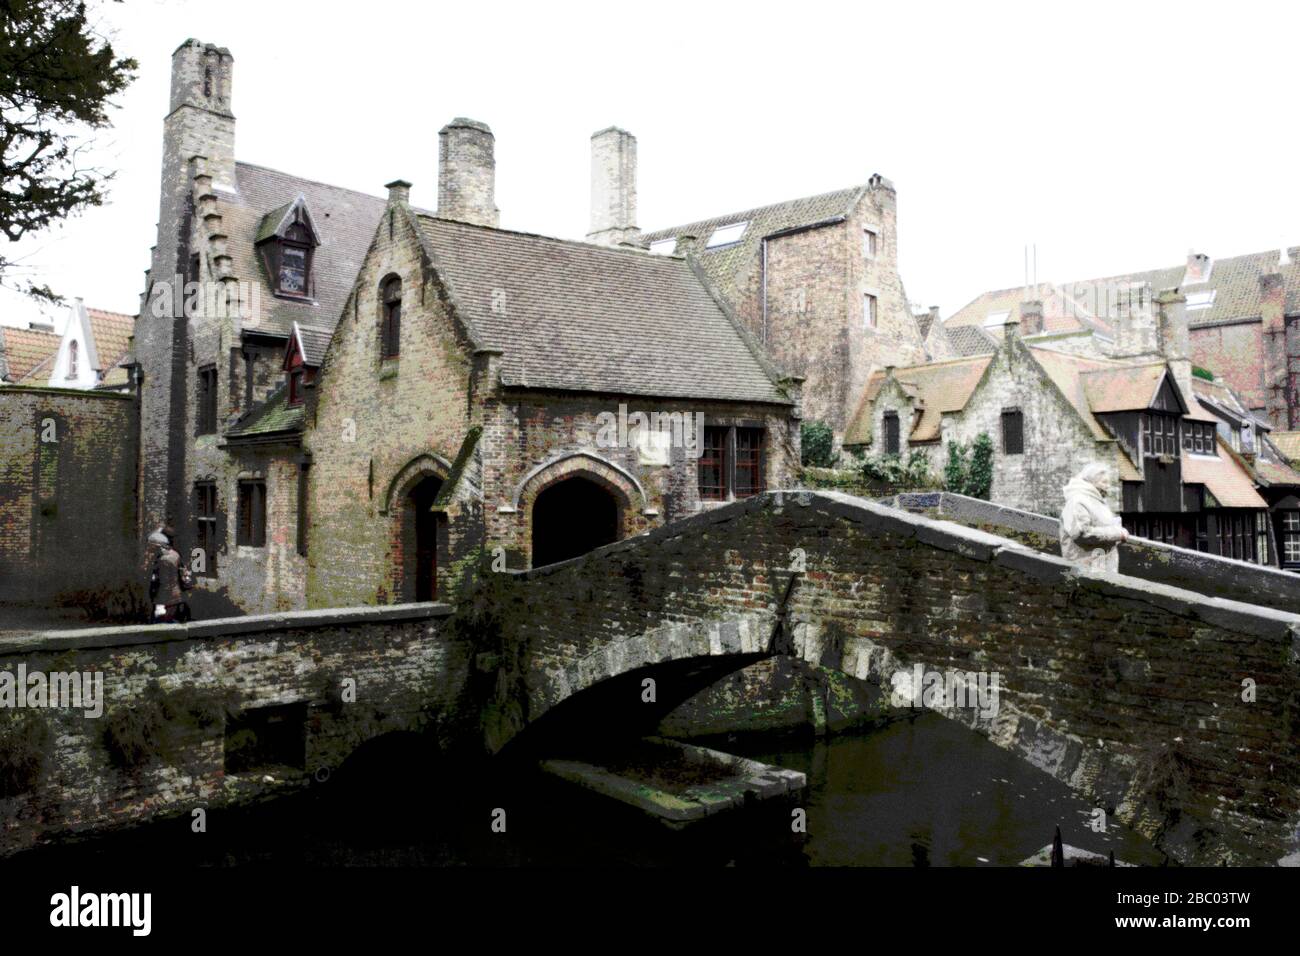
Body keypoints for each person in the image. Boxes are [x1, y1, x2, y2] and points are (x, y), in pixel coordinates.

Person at [1060, 463, 1129, 573]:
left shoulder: (1095, 500)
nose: (1108, 486)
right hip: (1086, 571)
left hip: (1099, 569)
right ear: (1092, 482)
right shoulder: (1077, 502)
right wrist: (1117, 533)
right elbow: (1082, 533)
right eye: (1104, 482)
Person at [149, 526, 193, 623]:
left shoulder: (162, 560)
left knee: (161, 624)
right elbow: (183, 575)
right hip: (176, 596)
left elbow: (161, 582)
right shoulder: (175, 554)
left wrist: (155, 597)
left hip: (164, 598)